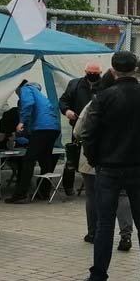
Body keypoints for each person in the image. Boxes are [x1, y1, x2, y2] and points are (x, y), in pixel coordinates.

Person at [74, 50, 140, 281]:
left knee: (105, 223)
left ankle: (98, 279)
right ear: (136, 69)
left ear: (113, 70)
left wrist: (96, 160)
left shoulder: (103, 98)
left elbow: (88, 134)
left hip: (108, 168)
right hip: (139, 168)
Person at [73, 74, 133, 249]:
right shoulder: (129, 104)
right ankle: (126, 235)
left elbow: (78, 131)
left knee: (92, 196)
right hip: (121, 157)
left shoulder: (93, 104)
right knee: (122, 195)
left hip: (92, 159)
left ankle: (93, 233)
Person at [5, 80, 61, 204]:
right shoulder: (40, 95)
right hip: (53, 128)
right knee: (45, 160)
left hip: (42, 128)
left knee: (28, 160)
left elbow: (28, 104)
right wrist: (23, 135)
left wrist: (21, 122)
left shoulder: (26, 89)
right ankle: (43, 192)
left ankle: (21, 194)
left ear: (18, 87)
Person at [58, 62, 104, 197]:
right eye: (90, 73)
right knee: (72, 156)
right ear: (85, 72)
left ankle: (98, 186)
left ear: (100, 73)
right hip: (78, 126)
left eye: (95, 73)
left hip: (99, 129)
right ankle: (68, 186)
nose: (92, 75)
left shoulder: (105, 86)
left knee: (98, 157)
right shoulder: (75, 84)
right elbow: (63, 101)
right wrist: (67, 111)